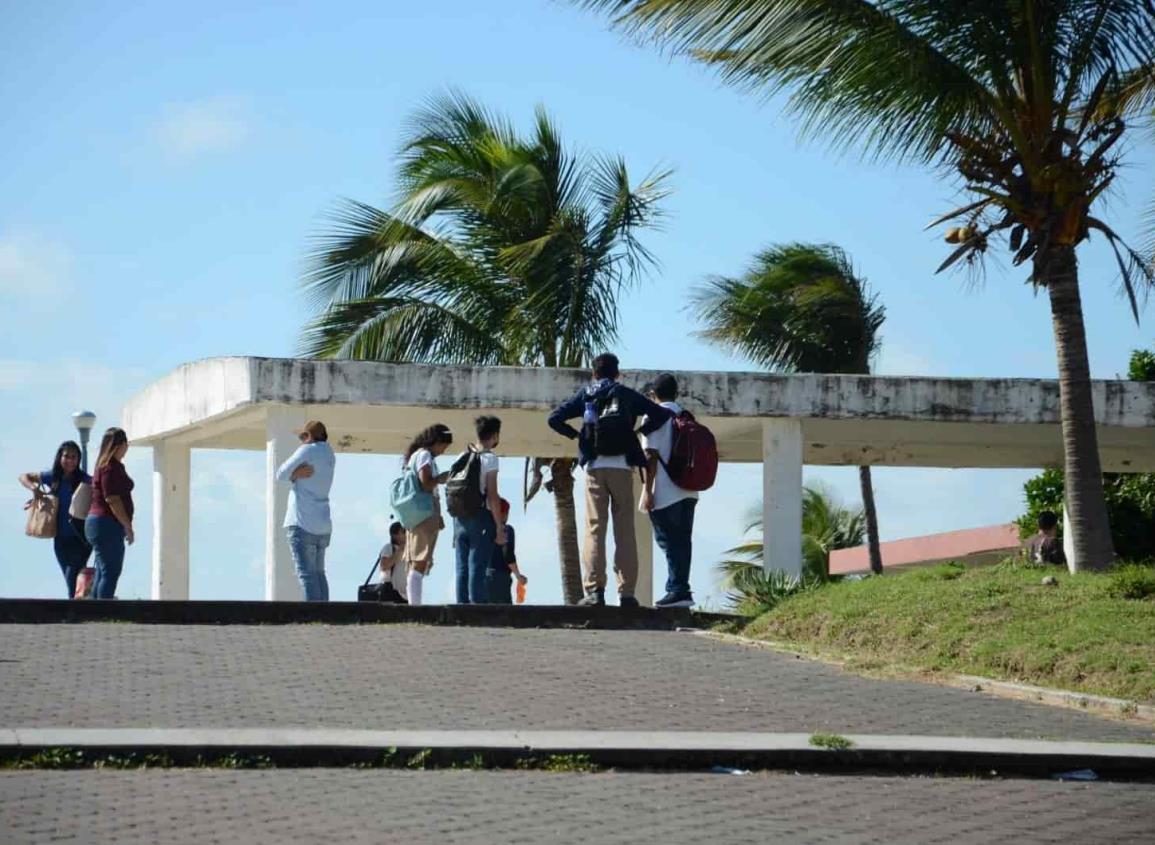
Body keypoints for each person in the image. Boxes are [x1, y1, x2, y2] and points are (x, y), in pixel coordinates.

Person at [548, 353, 671, 607]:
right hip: (622, 468)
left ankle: (595, 591)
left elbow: (554, 418)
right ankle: (626, 594)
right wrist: (639, 431)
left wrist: (577, 436)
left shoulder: (586, 395)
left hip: (594, 467)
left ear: (594, 374)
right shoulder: (625, 393)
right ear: (617, 373)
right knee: (625, 531)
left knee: (595, 530)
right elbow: (660, 414)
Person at [640, 374, 699, 608]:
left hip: (665, 492)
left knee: (669, 542)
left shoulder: (653, 415)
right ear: (676, 394)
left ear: (653, 395)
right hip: (689, 490)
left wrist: (647, 490)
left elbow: (650, 456)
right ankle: (681, 589)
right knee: (683, 541)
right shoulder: (686, 416)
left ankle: (677, 590)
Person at [18, 441, 93, 598]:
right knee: (69, 574)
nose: (70, 460)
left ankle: (74, 609)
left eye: (74, 457)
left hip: (81, 538)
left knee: (73, 573)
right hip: (60, 537)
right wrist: (34, 489)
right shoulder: (53, 476)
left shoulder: (84, 479)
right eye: (66, 456)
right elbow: (23, 477)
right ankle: (78, 605)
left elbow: (99, 487)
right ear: (60, 457)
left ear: (79, 459)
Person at [275, 420, 336, 601]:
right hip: (323, 523)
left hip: (302, 522)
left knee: (306, 575)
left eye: (303, 436)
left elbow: (280, 474)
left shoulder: (307, 450)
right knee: (319, 574)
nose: (301, 440)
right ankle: (326, 616)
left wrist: (294, 475)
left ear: (309, 437)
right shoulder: (330, 453)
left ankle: (315, 617)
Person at [451, 415, 505, 604]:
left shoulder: (462, 456)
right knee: (477, 565)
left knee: (462, 567)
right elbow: (492, 494)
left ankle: (461, 606)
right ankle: (477, 608)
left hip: (459, 518)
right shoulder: (490, 458)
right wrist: (499, 526)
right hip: (481, 515)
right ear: (495, 435)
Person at [401, 423, 453, 605]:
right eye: (443, 446)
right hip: (424, 513)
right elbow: (426, 483)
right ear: (437, 442)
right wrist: (442, 478)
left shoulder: (416, 456)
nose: (443, 451)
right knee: (420, 560)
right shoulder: (424, 456)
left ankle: (413, 602)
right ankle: (414, 605)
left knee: (417, 560)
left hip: (418, 514)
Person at [84, 427, 135, 599]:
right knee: (111, 571)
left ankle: (96, 610)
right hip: (106, 524)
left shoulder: (108, 466)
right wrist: (127, 526)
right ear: (119, 445)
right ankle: (103, 611)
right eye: (125, 444)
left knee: (103, 570)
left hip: (103, 524)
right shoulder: (109, 468)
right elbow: (112, 499)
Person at [485, 497, 526, 605]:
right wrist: (518, 575)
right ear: (503, 513)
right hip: (500, 577)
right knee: (505, 616)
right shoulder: (507, 530)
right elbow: (508, 555)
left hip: (483, 576)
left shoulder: (484, 530)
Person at [377, 521, 408, 601]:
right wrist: (400, 551)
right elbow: (384, 565)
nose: (407, 534)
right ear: (395, 535)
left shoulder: (410, 551)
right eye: (403, 531)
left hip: (406, 595)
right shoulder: (389, 548)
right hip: (390, 592)